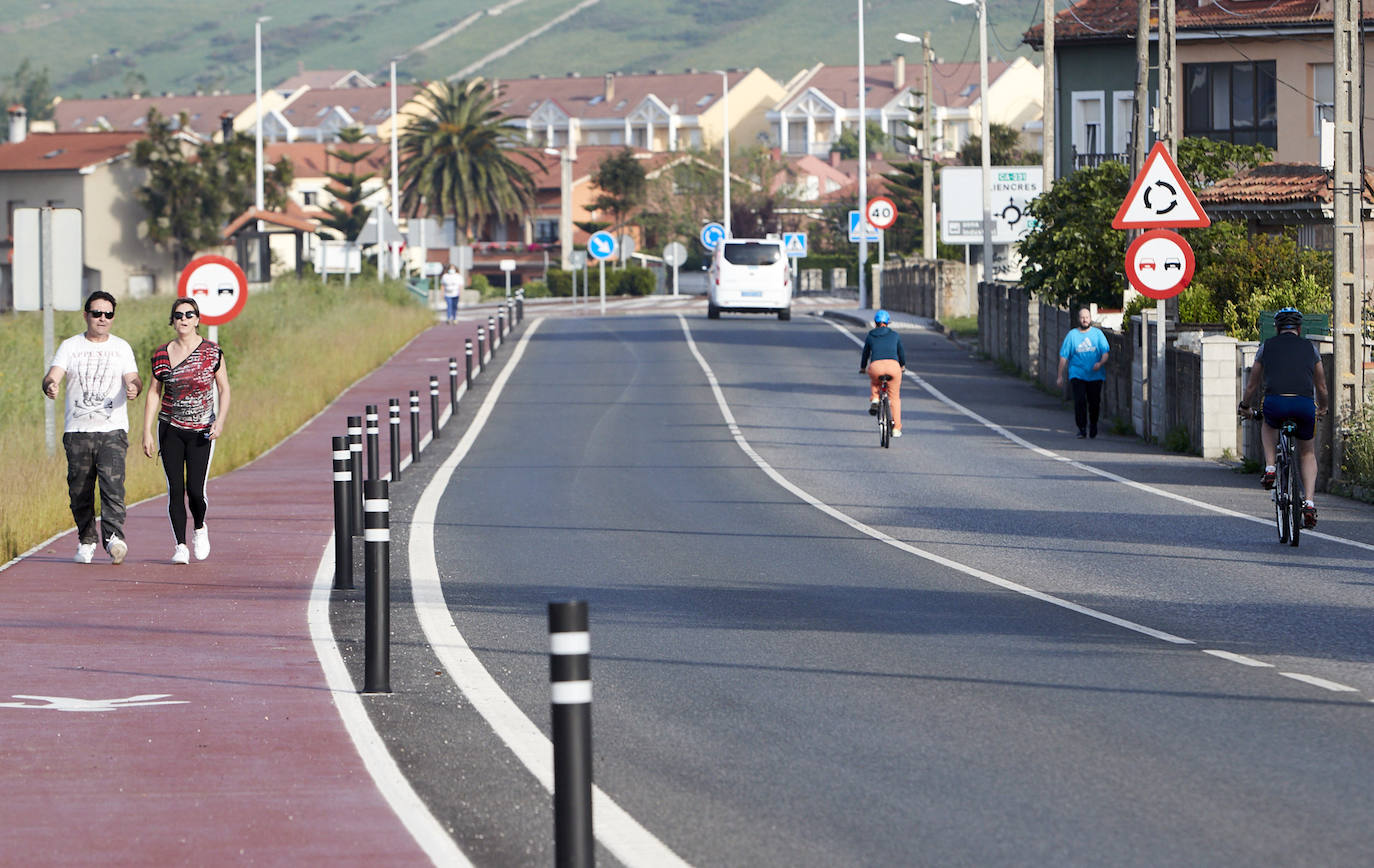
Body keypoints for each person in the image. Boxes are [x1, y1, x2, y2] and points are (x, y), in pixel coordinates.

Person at [41, 291, 143, 564]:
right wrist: (51, 385)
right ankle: (86, 539)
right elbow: (53, 374)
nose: (102, 319)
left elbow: (133, 377)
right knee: (80, 490)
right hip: (77, 431)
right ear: (86, 315)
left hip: (113, 429)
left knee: (112, 486)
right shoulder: (71, 346)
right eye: (96, 313)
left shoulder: (121, 347)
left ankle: (114, 539)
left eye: (108, 314)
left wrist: (134, 387)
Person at [142, 297, 231, 564]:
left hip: (202, 429)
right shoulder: (161, 353)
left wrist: (220, 421)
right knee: (175, 488)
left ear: (197, 320)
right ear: (172, 320)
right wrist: (146, 431)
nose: (184, 319)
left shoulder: (212, 352)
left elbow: (224, 388)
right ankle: (180, 545)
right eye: (179, 315)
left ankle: (200, 527)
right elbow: (153, 393)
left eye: (189, 315)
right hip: (170, 428)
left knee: (195, 489)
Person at [1239, 307, 1328, 528]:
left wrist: (1244, 406)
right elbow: (1322, 386)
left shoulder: (1265, 347)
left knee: (1269, 423)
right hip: (1304, 405)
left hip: (1275, 403)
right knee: (1307, 452)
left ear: (1277, 329)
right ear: (1299, 329)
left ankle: (1270, 467)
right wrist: (1323, 408)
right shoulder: (1311, 349)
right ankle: (1308, 502)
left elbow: (1252, 384)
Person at [1056, 308, 1111, 438]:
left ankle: (1093, 424)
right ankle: (1081, 428)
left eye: (1087, 317)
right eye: (1082, 317)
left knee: (1094, 402)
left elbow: (1105, 353)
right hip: (1077, 374)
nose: (1085, 320)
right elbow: (1064, 356)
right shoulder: (1072, 335)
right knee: (1079, 401)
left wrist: (1100, 363)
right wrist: (1060, 376)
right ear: (1078, 319)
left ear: (1090, 318)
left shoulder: (1097, 334)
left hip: (1095, 375)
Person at [859, 309, 906, 438]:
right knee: (894, 398)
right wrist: (902, 365)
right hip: (893, 367)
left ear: (875, 323)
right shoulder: (895, 335)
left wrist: (863, 368)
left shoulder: (870, 335)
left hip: (876, 367)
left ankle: (875, 397)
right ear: (887, 323)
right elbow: (901, 353)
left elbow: (865, 354)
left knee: (875, 381)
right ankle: (896, 428)